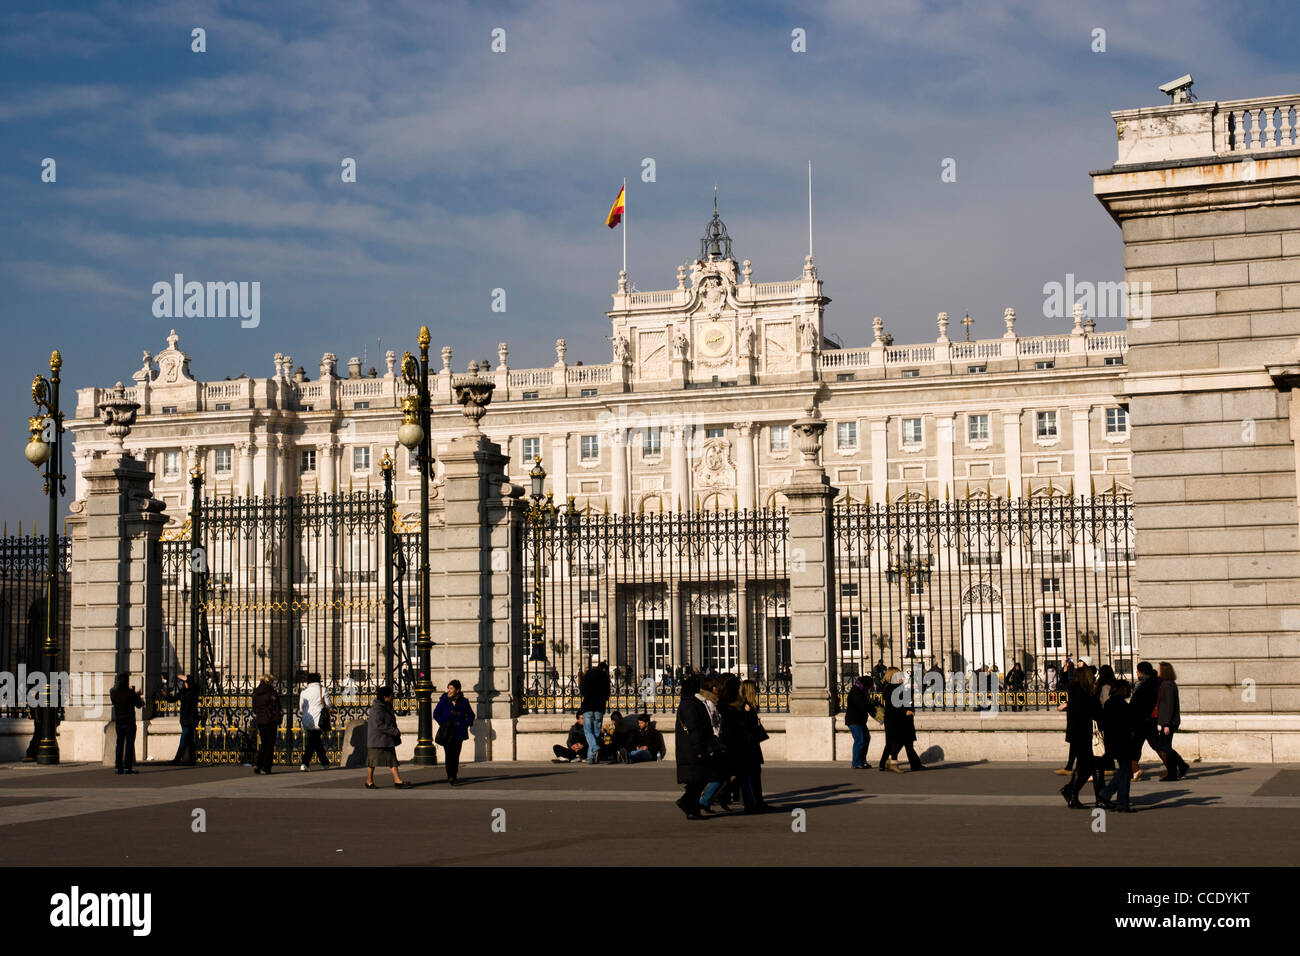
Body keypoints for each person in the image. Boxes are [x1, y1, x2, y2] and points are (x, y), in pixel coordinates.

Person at [1059, 665, 1103, 809]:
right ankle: (1072, 792)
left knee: (1084, 766)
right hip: (1086, 734)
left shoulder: (1073, 691)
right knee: (1091, 766)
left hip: (1076, 734)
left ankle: (1073, 793)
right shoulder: (1088, 693)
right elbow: (1096, 713)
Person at [674, 675, 714, 819]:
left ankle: (692, 807)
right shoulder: (690, 704)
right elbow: (694, 728)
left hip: (689, 747)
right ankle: (688, 805)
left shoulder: (688, 702)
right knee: (699, 778)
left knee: (697, 779)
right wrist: (699, 749)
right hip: (692, 748)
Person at [1097, 680, 1137, 812]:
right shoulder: (1123, 705)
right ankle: (1119, 801)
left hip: (1112, 741)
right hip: (1123, 742)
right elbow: (1130, 724)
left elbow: (1102, 724)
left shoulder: (1108, 703)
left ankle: (1115, 798)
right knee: (1125, 772)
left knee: (1124, 771)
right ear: (1122, 690)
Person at [879, 667, 925, 772]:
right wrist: (906, 711)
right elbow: (893, 706)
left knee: (905, 743)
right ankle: (890, 762)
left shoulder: (897, 687)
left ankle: (914, 764)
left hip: (902, 719)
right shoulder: (891, 689)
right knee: (896, 742)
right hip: (898, 720)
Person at [365, 685, 410, 789]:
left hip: (385, 739)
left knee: (392, 760)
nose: (392, 698)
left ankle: (397, 780)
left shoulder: (384, 706)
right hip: (377, 739)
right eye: (391, 696)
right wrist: (394, 731)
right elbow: (379, 725)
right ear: (385, 697)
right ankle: (369, 781)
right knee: (372, 762)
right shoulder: (377, 708)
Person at [433, 679, 475, 785]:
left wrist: (465, 724)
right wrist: (444, 723)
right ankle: (450, 776)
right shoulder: (443, 700)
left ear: (458, 690)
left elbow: (471, 715)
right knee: (449, 754)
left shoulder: (464, 701)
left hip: (459, 732)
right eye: (449, 688)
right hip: (447, 732)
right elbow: (436, 714)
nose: (449, 690)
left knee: (456, 755)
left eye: (451, 688)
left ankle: (454, 774)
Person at [1129, 661, 1162, 781]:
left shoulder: (1145, 684)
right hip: (1145, 720)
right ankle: (1134, 770)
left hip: (1141, 720)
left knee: (1134, 747)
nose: (1136, 672)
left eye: (1138, 670)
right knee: (1153, 745)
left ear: (1142, 672)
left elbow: (1141, 703)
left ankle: (1135, 770)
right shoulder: (1149, 682)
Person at [1156, 662, 1189, 781]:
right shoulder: (1167, 684)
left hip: (1169, 722)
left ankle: (1179, 767)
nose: (1157, 671)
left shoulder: (1168, 685)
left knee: (1165, 747)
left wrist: (1166, 724)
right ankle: (1175, 770)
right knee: (1165, 746)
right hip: (1168, 722)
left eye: (1159, 669)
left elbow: (1169, 706)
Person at [162, 673, 201, 765]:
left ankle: (177, 760)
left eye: (186, 682)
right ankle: (192, 760)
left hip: (191, 719)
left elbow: (194, 685)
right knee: (190, 739)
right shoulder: (183, 692)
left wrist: (186, 678)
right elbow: (173, 699)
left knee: (184, 739)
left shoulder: (194, 691)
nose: (185, 684)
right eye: (184, 682)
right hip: (184, 719)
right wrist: (165, 695)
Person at [109, 673, 144, 774]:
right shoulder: (130, 693)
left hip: (119, 722)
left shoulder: (114, 693)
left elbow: (113, 696)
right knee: (129, 744)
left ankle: (118, 766)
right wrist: (138, 695)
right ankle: (127, 766)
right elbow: (139, 705)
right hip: (129, 722)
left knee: (119, 744)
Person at [297, 672, 332, 771]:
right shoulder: (322, 689)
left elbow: (301, 708)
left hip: (307, 719)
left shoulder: (304, 692)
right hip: (319, 719)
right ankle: (305, 763)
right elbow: (328, 704)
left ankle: (324, 762)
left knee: (315, 741)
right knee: (314, 742)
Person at [578, 660, 610, 765]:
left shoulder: (588, 675)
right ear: (604, 669)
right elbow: (607, 694)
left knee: (588, 731)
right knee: (596, 733)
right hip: (599, 708)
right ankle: (591, 758)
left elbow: (582, 690)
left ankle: (594, 749)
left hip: (588, 706)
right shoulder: (605, 677)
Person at [251, 674, 282, 775]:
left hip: (260, 720)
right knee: (269, 745)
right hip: (270, 721)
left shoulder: (256, 692)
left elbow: (254, 708)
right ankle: (266, 767)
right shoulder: (271, 692)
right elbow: (277, 707)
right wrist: (277, 717)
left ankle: (258, 764)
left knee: (264, 743)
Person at [845, 674, 874, 769]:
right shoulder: (856, 691)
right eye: (871, 685)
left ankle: (862, 760)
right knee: (860, 740)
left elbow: (867, 705)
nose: (872, 687)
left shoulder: (863, 691)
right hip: (854, 720)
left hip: (860, 720)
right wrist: (872, 706)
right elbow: (863, 705)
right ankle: (856, 762)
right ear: (866, 684)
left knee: (866, 739)